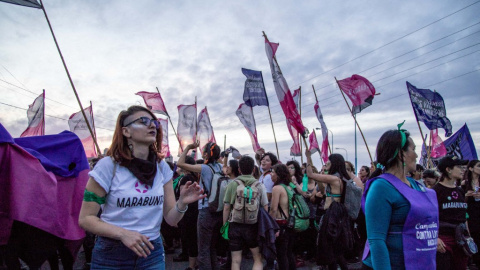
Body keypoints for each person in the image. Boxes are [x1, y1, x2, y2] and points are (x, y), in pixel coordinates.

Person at [78, 105, 205, 269]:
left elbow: (171, 219)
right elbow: (86, 219)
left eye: (154, 122)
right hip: (112, 254)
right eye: (143, 121)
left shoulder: (162, 168)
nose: (152, 125)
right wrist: (123, 234)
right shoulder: (108, 167)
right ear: (126, 132)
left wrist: (182, 203)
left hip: (151, 253)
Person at [362, 125, 439, 270]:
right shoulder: (381, 187)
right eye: (413, 149)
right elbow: (377, 240)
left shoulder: (416, 185)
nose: (416, 155)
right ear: (400, 154)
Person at [177, 141, 223, 270]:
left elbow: (180, 164)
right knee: (212, 247)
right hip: (218, 209)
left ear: (207, 154)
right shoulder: (220, 167)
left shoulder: (205, 168)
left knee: (203, 248)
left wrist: (187, 148)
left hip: (206, 210)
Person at [305, 151, 351, 270]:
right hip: (336, 215)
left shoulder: (334, 178)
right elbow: (323, 189)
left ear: (334, 163)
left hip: (332, 215)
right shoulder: (339, 178)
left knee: (329, 247)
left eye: (328, 161)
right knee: (334, 249)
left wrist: (308, 157)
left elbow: (310, 174)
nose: (326, 163)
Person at [223, 156, 269, 270]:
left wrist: (225, 225)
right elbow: (265, 207)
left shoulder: (232, 184)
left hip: (235, 224)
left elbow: (227, 207)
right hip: (253, 225)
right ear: (254, 169)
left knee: (236, 260)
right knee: (257, 258)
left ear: (239, 169)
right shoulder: (259, 185)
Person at [434, 156, 469, 270]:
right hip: (443, 241)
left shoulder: (460, 191)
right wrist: (435, 238)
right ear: (448, 169)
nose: (462, 169)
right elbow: (429, 217)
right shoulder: (435, 191)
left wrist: (468, 236)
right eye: (459, 167)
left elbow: (464, 217)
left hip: (460, 240)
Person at [174, 156, 200, 270]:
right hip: (192, 211)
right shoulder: (193, 177)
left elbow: (181, 197)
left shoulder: (186, 179)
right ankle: (192, 262)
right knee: (191, 237)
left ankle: (192, 266)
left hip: (187, 212)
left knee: (190, 238)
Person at [269, 164, 296, 270]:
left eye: (273, 172)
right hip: (290, 222)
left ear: (278, 174)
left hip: (280, 224)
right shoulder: (290, 186)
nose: (271, 174)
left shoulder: (277, 188)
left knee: (281, 254)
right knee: (289, 253)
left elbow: (273, 209)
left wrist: (271, 226)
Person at [463, 160, 480, 268]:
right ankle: (473, 262)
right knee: (473, 238)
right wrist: (466, 195)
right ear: (471, 168)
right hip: (471, 215)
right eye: (478, 166)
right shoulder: (464, 183)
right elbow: (461, 201)